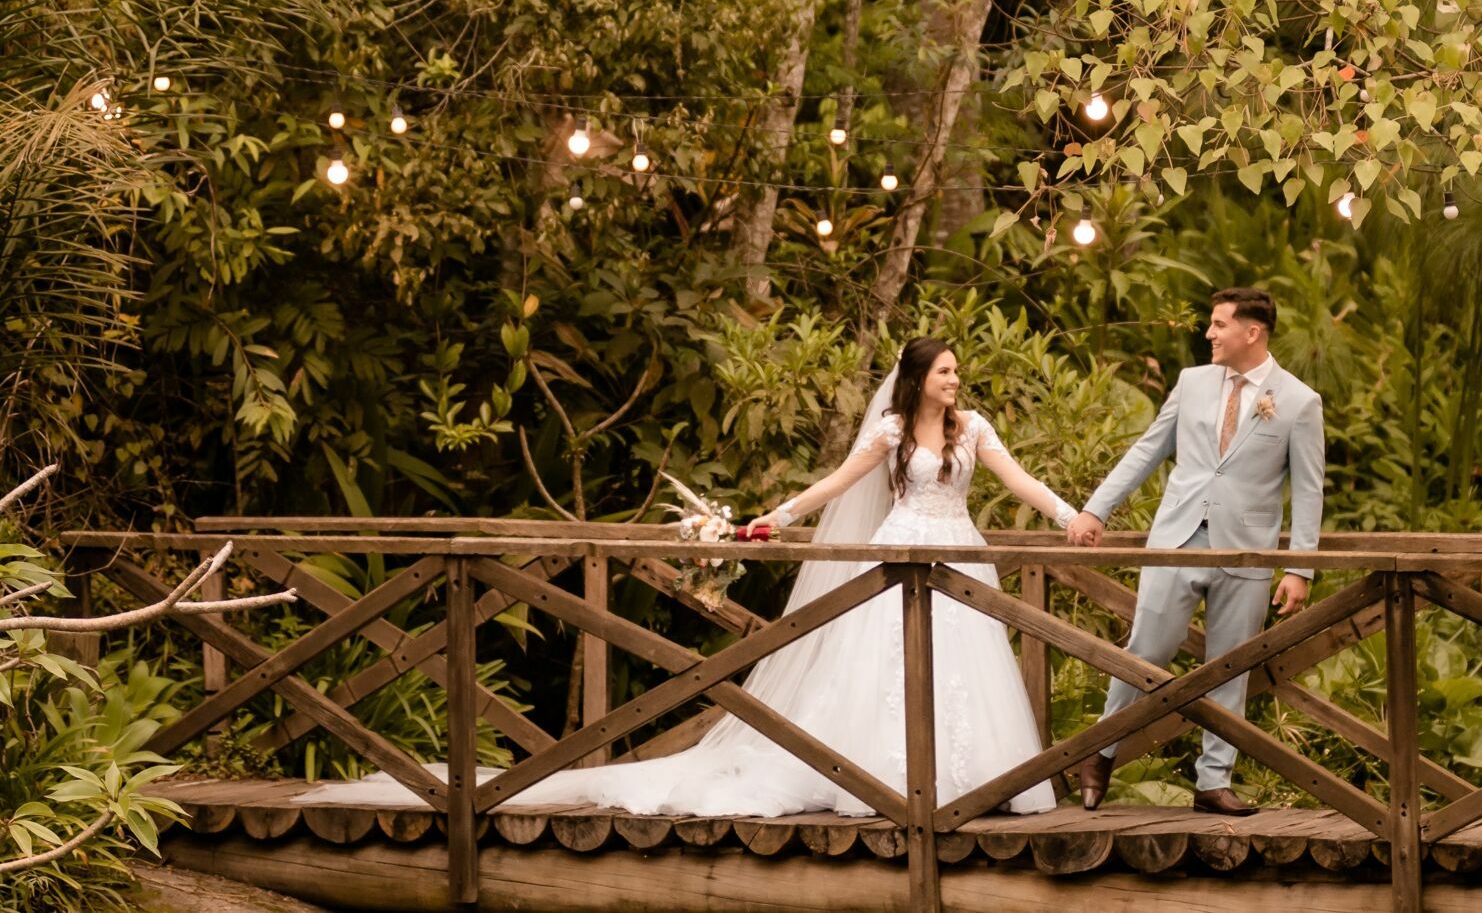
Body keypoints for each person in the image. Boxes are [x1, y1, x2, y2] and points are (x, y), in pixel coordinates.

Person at [298, 336, 1079, 817]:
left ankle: (978, 783)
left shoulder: (974, 428)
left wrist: (1070, 513)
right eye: (944, 371)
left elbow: (1020, 481)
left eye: (955, 371)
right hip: (901, 548)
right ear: (917, 379)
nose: (955, 379)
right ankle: (884, 784)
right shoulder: (890, 428)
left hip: (957, 552)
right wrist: (774, 516)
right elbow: (835, 485)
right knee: (883, 668)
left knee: (966, 670)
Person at [1066, 287, 1325, 816]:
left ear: (1251, 332)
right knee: (1144, 652)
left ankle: (1213, 781)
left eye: (1218, 324)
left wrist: (1300, 567)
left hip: (1246, 551)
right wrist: (1095, 509)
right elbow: (1148, 449)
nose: (1209, 334)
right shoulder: (1192, 383)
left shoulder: (1299, 401)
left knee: (1230, 666)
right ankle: (1101, 752)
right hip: (1177, 538)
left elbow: (1309, 489)